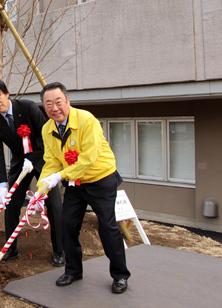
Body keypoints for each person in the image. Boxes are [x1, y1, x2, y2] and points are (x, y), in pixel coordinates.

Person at [37, 82, 130, 294]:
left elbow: (88, 158)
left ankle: (120, 275)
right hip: (74, 183)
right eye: (48, 104)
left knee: (107, 227)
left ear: (68, 101)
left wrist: (59, 176)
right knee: (67, 225)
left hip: (100, 179)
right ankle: (73, 270)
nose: (54, 108)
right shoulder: (47, 129)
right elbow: (50, 160)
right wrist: (41, 188)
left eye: (58, 102)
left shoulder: (87, 120)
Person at [0, 78, 64, 266]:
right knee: (10, 205)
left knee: (55, 205)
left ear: (6, 94)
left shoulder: (27, 107)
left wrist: (32, 159)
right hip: (19, 163)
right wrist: (1, 184)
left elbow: (45, 137)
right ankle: (11, 249)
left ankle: (59, 250)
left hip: (43, 160)